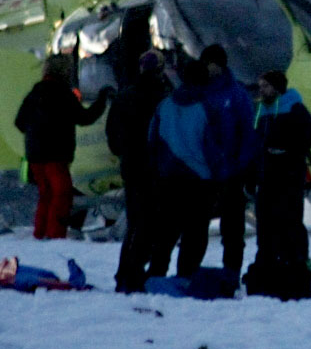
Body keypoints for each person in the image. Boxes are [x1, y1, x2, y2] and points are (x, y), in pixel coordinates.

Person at [245, 70, 311, 299]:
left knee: (290, 224)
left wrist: (290, 150)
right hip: (266, 177)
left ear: (277, 87)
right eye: (260, 86)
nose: (262, 91)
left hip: (289, 177)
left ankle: (296, 271)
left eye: (266, 86)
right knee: (266, 226)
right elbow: (255, 143)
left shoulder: (293, 107)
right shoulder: (260, 110)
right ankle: (268, 273)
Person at [13, 54, 109, 239]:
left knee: (46, 195)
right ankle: (55, 234)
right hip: (55, 154)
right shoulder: (62, 93)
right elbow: (85, 118)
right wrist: (102, 100)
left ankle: (40, 232)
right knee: (61, 194)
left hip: (34, 154)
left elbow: (20, 122)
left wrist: (36, 129)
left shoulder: (35, 92)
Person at [105, 49, 169, 292]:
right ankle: (135, 273)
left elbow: (113, 138)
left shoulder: (125, 97)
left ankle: (125, 271)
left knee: (135, 221)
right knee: (150, 223)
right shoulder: (163, 98)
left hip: (131, 165)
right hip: (155, 166)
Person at [147, 58, 215, 279]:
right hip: (200, 180)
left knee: (165, 232)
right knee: (195, 234)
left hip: (168, 177)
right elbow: (214, 145)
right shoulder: (207, 107)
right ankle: (186, 276)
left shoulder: (164, 105)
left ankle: (156, 274)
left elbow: (152, 140)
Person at [197, 44, 260, 277]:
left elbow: (247, 133)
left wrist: (241, 166)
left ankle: (231, 273)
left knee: (232, 230)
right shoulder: (197, 91)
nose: (207, 68)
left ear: (219, 65)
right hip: (203, 173)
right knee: (196, 227)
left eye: (210, 63)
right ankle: (190, 272)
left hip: (231, 173)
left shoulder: (236, 94)